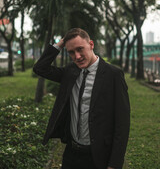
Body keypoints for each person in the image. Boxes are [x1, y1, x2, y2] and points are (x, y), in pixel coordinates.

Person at [33, 28, 130, 169]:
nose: (77, 56)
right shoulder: (70, 71)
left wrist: (114, 164)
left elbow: (122, 123)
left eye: (80, 49)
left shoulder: (113, 75)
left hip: (98, 155)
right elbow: (40, 68)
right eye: (71, 52)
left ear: (91, 44)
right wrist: (60, 44)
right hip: (71, 153)